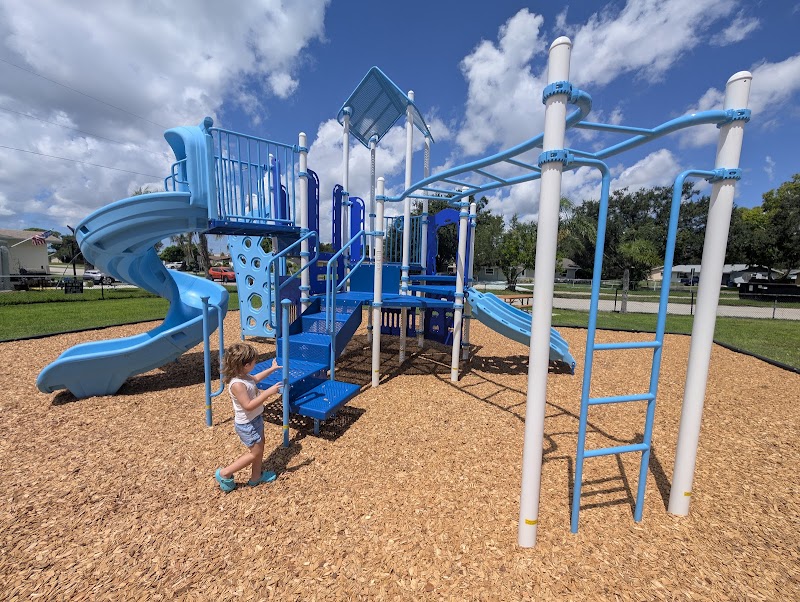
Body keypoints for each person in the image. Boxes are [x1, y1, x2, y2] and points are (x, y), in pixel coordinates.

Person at [215, 343, 283, 492]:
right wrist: (268, 393)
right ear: (245, 365)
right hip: (247, 424)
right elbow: (248, 405)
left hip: (255, 419)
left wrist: (272, 369)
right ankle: (225, 473)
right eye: (254, 362)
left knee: (260, 447)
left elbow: (256, 378)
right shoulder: (237, 384)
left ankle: (256, 477)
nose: (255, 364)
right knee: (255, 453)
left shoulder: (244, 376)